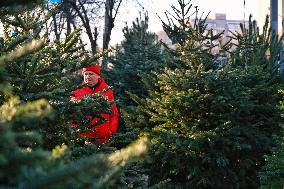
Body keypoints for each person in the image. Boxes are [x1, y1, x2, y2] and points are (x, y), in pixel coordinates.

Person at [70, 64, 119, 146]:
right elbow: (70, 114)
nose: (88, 77)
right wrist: (75, 131)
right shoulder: (76, 91)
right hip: (83, 139)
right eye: (85, 74)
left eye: (91, 74)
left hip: (104, 139)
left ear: (98, 76)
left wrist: (111, 130)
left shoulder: (107, 90)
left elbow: (114, 113)